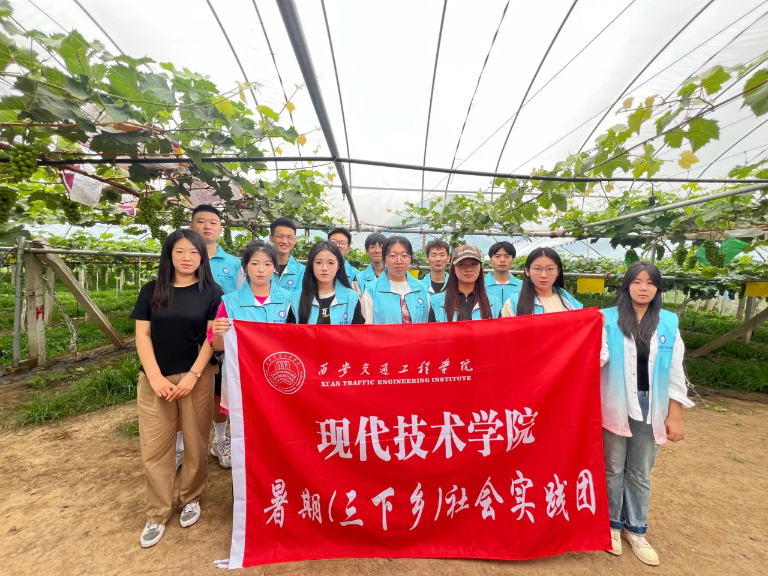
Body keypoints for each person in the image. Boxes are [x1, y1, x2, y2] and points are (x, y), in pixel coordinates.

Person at [130, 229, 222, 548]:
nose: (187, 258)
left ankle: (190, 497)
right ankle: (157, 512)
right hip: (155, 378)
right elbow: (142, 336)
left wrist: (193, 375)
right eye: (180, 251)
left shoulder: (212, 292)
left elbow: (212, 338)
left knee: (196, 441)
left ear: (202, 257)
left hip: (196, 377)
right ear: (169, 254)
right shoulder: (152, 290)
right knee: (155, 446)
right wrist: (155, 377)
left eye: (194, 253)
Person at [600, 261, 694, 566]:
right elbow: (596, 357)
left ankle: (636, 529)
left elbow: (675, 371)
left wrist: (675, 414)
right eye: (637, 282)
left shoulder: (667, 322)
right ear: (626, 286)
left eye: (650, 283)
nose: (643, 288)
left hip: (651, 406)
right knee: (613, 467)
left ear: (657, 288)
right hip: (614, 403)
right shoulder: (606, 319)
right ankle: (612, 526)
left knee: (640, 471)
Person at [188, 204, 240, 470]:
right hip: (187, 334)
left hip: (220, 337)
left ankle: (220, 440)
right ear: (191, 226)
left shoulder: (234, 264)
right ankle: (181, 446)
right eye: (201, 221)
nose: (207, 226)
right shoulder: (182, 259)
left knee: (220, 390)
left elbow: (241, 300)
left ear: (221, 228)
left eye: (213, 222)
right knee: (185, 389)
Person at [209, 240, 291, 351]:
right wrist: (218, 336)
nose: (261, 270)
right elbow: (217, 347)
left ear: (274, 267)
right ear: (246, 266)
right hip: (241, 362)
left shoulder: (290, 300)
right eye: (254, 263)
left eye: (267, 264)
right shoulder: (229, 302)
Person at [287, 240, 364, 324]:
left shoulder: (352, 298)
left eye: (330, 263)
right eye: (318, 262)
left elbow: (357, 331)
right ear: (311, 265)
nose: (324, 268)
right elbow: (289, 331)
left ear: (338, 265)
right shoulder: (297, 299)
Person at [361, 236, 429, 324]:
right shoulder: (372, 291)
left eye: (404, 255)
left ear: (410, 258)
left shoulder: (422, 290)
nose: (399, 261)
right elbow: (367, 328)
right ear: (384, 258)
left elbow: (428, 325)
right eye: (393, 256)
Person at [501, 247, 582, 316]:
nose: (544, 275)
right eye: (537, 268)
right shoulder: (513, 303)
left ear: (557, 271)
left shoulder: (570, 303)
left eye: (550, 269)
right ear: (527, 271)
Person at [429, 245, 501, 321]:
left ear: (480, 268)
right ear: (453, 269)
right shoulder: (437, 302)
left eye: (474, 264)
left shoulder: (494, 303)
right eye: (462, 264)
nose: (468, 269)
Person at [269, 217, 305, 294]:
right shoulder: (262, 268)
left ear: (294, 240)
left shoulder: (302, 271)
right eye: (280, 236)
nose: (285, 241)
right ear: (271, 238)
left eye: (289, 237)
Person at [485, 241, 522, 305]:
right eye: (497, 256)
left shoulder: (522, 286)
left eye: (507, 256)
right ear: (491, 260)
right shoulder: (482, 286)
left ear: (513, 260)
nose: (502, 260)